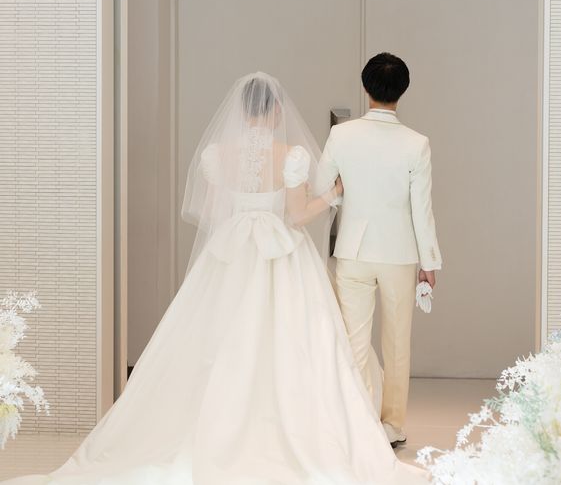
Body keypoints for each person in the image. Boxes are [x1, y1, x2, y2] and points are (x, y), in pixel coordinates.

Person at [2, 72, 428, 485]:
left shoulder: (217, 155)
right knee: (291, 338)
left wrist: (244, 215)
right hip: (279, 249)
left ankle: (215, 421)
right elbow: (297, 216)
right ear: (276, 110)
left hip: (230, 247)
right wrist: (333, 194)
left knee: (215, 334)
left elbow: (211, 212)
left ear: (242, 111)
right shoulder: (291, 156)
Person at [317, 53, 442, 449]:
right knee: (397, 343)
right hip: (400, 254)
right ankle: (391, 426)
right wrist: (429, 262)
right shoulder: (417, 144)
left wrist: (342, 195)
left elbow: (321, 186)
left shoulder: (342, 136)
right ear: (402, 91)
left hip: (353, 250)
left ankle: (356, 424)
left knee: (354, 341)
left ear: (365, 87)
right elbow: (421, 210)